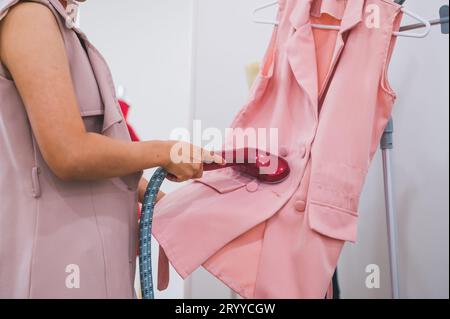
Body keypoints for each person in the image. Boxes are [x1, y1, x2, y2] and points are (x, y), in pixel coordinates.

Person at [0, 0, 223, 298]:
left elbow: (97, 165)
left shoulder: (65, 32)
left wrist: (163, 202)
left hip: (95, 266)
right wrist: (166, 152)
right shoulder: (31, 18)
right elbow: (69, 153)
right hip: (57, 271)